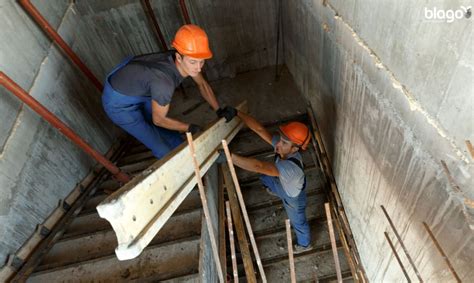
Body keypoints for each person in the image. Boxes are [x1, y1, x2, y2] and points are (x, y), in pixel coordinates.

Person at [102, 24, 236, 158]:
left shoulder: (187, 58)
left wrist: (219, 110)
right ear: (179, 57)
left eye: (202, 62)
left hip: (137, 80)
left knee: (170, 134)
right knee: (161, 147)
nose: (199, 68)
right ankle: (183, 168)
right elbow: (159, 120)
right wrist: (191, 128)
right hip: (118, 104)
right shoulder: (164, 84)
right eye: (194, 62)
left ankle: (187, 152)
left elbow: (202, 84)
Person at [220, 109, 313, 253]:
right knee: (265, 178)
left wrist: (229, 157)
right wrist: (237, 113)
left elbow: (259, 166)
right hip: (281, 184)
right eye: (280, 139)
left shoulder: (290, 170)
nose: (278, 144)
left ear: (295, 149)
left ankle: (305, 244)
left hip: (292, 198)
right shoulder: (285, 148)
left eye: (284, 142)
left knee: (298, 222)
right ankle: (273, 189)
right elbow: (259, 129)